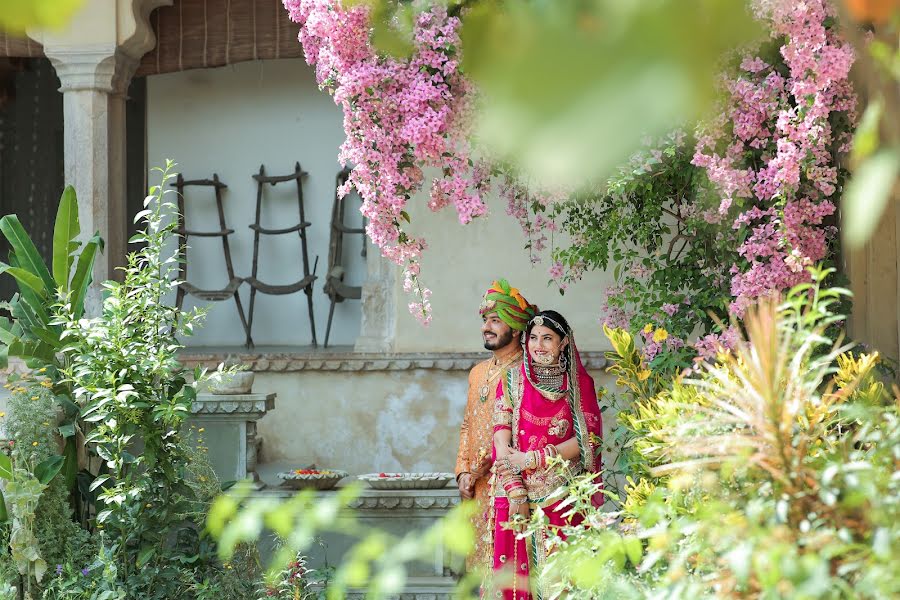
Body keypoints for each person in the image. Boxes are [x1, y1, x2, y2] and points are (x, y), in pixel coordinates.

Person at [491, 309, 604, 599]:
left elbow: (586, 440)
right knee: (514, 584)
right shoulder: (513, 379)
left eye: (547, 338)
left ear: (564, 343)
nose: (538, 345)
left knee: (565, 582)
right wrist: (515, 489)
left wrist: (532, 459)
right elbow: (501, 434)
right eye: (533, 338)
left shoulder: (579, 385)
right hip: (515, 492)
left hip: (563, 495)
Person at [456, 279, 537, 572]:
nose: (485, 327)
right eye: (484, 320)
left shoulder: (527, 374)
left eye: (494, 320)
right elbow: (467, 426)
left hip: (512, 488)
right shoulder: (478, 373)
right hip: (476, 490)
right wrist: (463, 471)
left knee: (509, 574)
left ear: (515, 328)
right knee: (477, 570)